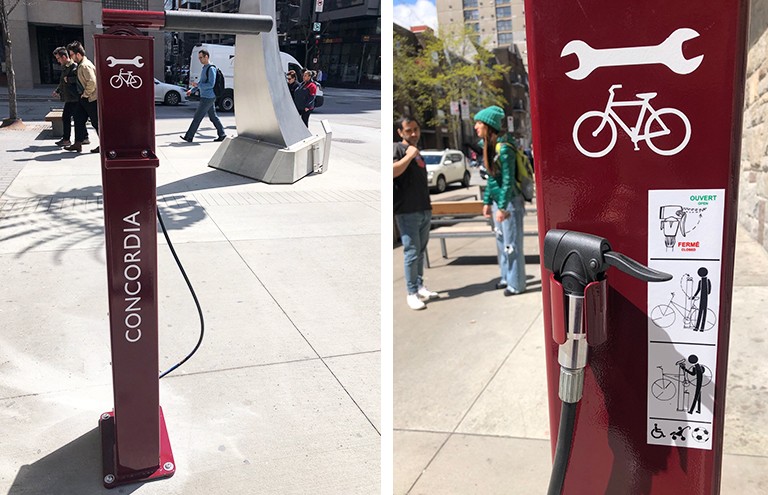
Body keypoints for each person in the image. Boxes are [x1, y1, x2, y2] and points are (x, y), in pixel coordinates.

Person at [474, 105, 526, 296]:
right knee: (501, 242)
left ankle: (516, 284)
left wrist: (502, 207)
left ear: (488, 125)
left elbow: (507, 180)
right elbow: (491, 179)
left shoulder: (504, 149)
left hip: (510, 202)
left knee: (512, 245)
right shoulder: (488, 147)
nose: (476, 126)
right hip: (499, 202)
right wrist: (487, 202)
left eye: (479, 123)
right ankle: (506, 278)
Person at [393, 117, 438, 310]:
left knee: (420, 252)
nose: (413, 134)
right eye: (409, 130)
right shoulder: (398, 149)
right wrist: (409, 156)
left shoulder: (418, 153)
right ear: (400, 132)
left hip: (423, 208)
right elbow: (392, 171)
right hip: (407, 211)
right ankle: (411, 292)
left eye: (416, 129)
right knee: (411, 252)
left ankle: (419, 286)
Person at [180, 49, 226, 143]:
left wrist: (197, 86)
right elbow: (201, 82)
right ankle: (222, 134)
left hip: (208, 97)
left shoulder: (211, 68)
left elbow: (210, 84)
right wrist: (192, 90)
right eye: (199, 58)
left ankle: (189, 136)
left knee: (197, 117)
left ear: (206, 57)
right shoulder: (205, 68)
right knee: (213, 117)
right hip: (206, 96)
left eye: (201, 57)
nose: (200, 60)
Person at [65, 41, 98, 153]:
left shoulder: (85, 65)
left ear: (78, 54)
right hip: (84, 98)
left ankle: (104, 145)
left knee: (96, 122)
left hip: (90, 99)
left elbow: (92, 82)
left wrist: (85, 95)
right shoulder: (81, 65)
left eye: (72, 55)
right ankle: (78, 143)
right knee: (78, 119)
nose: (71, 57)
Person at [51, 47, 88, 147]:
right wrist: (58, 90)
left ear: (64, 57)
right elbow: (63, 81)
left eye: (58, 58)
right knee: (77, 118)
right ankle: (84, 137)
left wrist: (69, 79)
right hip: (70, 97)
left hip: (74, 97)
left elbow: (79, 79)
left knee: (67, 117)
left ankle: (67, 139)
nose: (58, 61)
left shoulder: (74, 66)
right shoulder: (65, 67)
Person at [692, 267, 711, 331]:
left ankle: (701, 328)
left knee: (703, 312)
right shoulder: (701, 281)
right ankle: (698, 327)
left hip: (704, 298)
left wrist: (694, 296)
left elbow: (699, 290)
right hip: (703, 298)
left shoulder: (706, 281)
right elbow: (699, 290)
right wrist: (694, 296)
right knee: (701, 312)